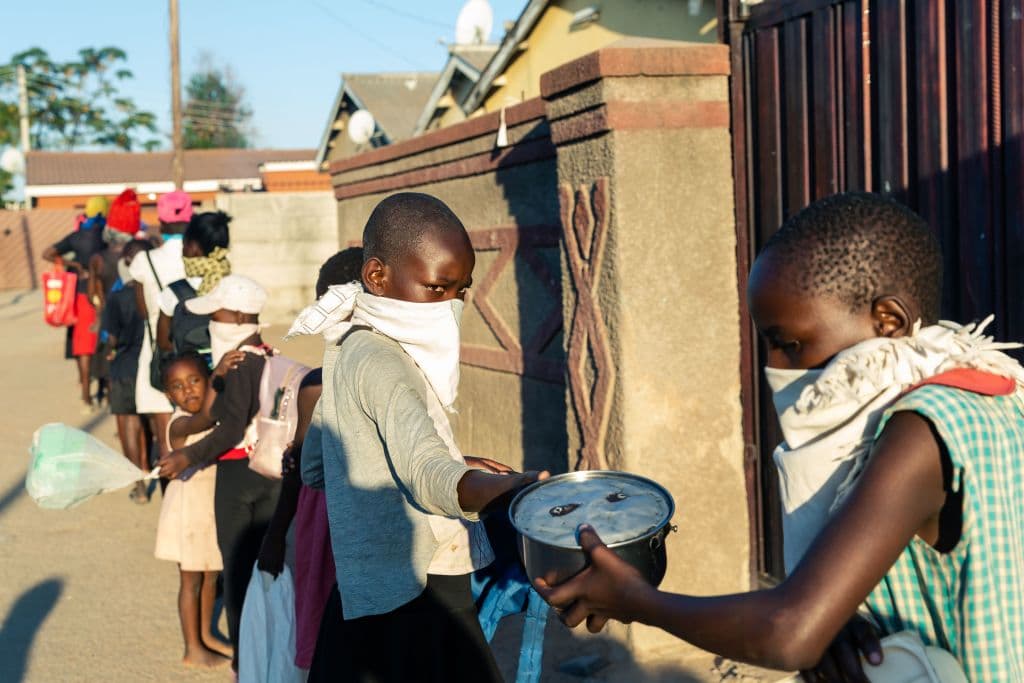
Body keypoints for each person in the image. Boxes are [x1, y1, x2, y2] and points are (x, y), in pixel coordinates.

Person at [534, 193, 1024, 681]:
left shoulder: (919, 429)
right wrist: (836, 615)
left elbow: (791, 632)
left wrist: (634, 599)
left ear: (888, 321)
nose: (775, 368)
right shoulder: (989, 391)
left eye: (790, 344)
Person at [296, 193, 545, 682]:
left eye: (461, 289)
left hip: (366, 584)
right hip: (421, 587)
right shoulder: (385, 360)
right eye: (437, 287)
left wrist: (446, 456)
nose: (450, 303)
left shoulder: (351, 344)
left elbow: (315, 464)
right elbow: (428, 474)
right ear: (377, 277)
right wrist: (511, 490)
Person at [156, 274, 282, 674]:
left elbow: (228, 426)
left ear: (240, 316)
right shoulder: (263, 352)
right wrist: (216, 378)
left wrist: (186, 456)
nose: (212, 321)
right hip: (268, 471)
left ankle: (246, 663)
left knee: (238, 571)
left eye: (217, 313)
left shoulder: (243, 360)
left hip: (238, 475)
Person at [254, 246, 364, 672]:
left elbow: (299, 465)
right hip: (349, 517)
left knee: (331, 625)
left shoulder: (318, 385)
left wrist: (277, 532)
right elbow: (298, 463)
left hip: (332, 518)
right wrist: (276, 533)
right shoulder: (405, 368)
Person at [157, 351, 243, 669]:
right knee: (191, 580)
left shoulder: (217, 412)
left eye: (195, 380)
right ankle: (192, 646)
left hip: (210, 508)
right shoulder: (179, 424)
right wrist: (218, 373)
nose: (189, 390)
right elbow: (204, 419)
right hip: (190, 512)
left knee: (210, 576)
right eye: (178, 386)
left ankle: (205, 635)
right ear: (168, 395)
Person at [42, 192, 126, 409]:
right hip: (108, 293)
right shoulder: (109, 235)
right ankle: (108, 394)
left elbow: (47, 253)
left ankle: (86, 397)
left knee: (83, 348)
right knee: (107, 344)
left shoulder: (77, 236)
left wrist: (76, 266)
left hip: (81, 296)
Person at [129, 190, 194, 471]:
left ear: (162, 223)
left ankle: (173, 496)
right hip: (196, 348)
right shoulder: (201, 256)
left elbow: (143, 311)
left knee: (164, 431)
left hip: (158, 349)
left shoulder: (145, 261)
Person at [100, 238, 153, 503]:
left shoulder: (118, 297)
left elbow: (110, 338)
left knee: (128, 424)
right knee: (153, 423)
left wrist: (109, 349)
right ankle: (154, 473)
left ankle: (139, 485)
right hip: (154, 362)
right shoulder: (161, 292)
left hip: (125, 367)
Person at [156, 210, 232, 356]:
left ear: (193, 248)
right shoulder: (235, 287)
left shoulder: (173, 292)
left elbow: (163, 343)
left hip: (188, 374)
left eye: (183, 245)